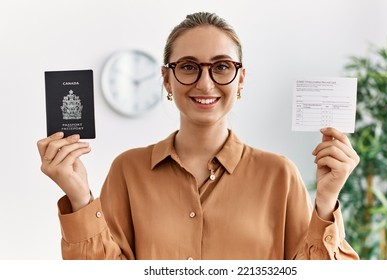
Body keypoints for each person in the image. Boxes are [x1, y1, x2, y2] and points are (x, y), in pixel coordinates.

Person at [37, 11, 360, 260]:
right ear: (167, 79)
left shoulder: (279, 175)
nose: (205, 84)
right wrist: (79, 196)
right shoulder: (128, 170)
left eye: (221, 67)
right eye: (189, 67)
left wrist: (326, 201)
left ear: (241, 79)